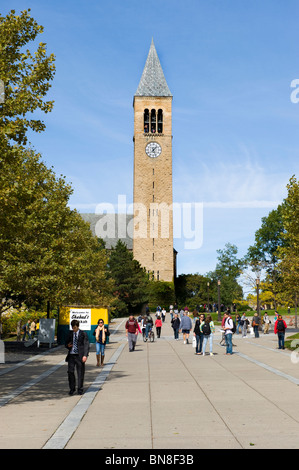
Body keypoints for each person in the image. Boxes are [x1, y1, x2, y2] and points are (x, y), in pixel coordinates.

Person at [65, 319, 90, 395]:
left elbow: (86, 345)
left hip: (80, 356)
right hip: (71, 355)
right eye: (73, 328)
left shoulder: (83, 334)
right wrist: (68, 345)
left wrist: (85, 355)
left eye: (75, 327)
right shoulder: (70, 334)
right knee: (70, 372)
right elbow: (66, 343)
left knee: (80, 373)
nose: (74, 329)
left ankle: (80, 389)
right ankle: (72, 388)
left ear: (78, 326)